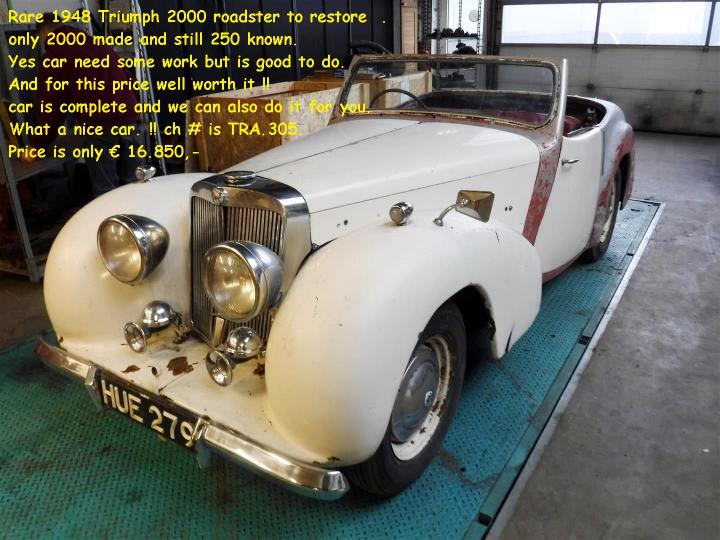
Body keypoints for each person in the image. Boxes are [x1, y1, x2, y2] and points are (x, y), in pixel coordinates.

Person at [22, 15, 143, 198]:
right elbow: (128, 78)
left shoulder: (54, 56)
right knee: (135, 184)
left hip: (101, 125)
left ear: (44, 33)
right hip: (130, 118)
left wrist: (37, 146)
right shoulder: (97, 43)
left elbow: (50, 109)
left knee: (105, 192)